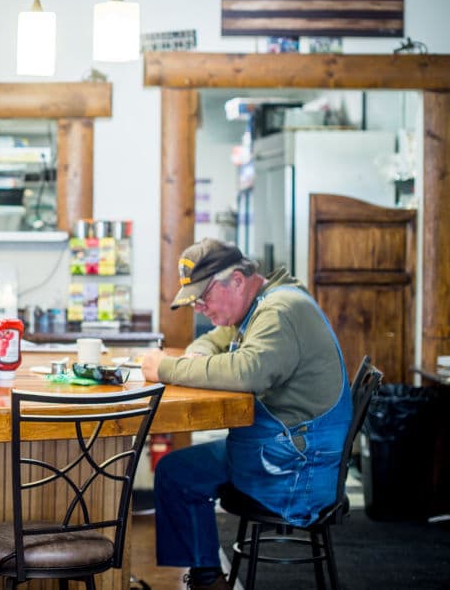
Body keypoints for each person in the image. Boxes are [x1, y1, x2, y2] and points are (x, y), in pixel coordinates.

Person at [140, 238, 350, 590]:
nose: (200, 308)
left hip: (297, 471)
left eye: (203, 297)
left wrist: (167, 369)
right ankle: (207, 577)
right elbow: (215, 338)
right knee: (177, 471)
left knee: (178, 475)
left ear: (237, 280)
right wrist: (196, 357)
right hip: (282, 450)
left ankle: (208, 582)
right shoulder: (263, 304)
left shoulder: (279, 311)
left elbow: (249, 371)